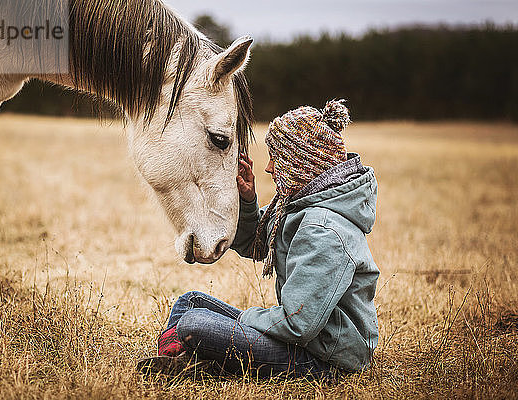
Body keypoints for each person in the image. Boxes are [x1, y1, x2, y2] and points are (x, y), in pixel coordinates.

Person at [138, 100, 380, 380]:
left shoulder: (324, 229)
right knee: (189, 303)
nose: (267, 168)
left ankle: (196, 359)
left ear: (299, 160)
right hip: (304, 341)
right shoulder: (301, 206)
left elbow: (298, 324)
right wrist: (248, 200)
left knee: (193, 324)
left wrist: (244, 321)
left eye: (276, 157)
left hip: (324, 358)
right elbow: (256, 242)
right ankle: (184, 360)